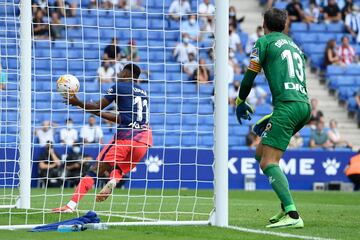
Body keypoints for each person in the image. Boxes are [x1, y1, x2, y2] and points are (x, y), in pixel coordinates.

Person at [235, 8, 309, 228]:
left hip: (287, 107)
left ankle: (292, 215)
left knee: (269, 161)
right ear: (285, 25)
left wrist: (240, 100)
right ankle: (284, 207)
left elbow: (250, 74)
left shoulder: (264, 42)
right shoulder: (295, 46)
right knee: (261, 154)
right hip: (303, 105)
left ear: (263, 23)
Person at [53, 63, 153, 213]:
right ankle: (114, 180)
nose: (118, 74)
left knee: (95, 169)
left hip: (126, 137)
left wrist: (78, 102)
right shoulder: (143, 92)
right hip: (144, 139)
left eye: (120, 72)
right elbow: (121, 118)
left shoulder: (119, 86)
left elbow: (98, 105)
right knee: (118, 167)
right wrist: (95, 113)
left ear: (126, 74)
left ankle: (70, 206)